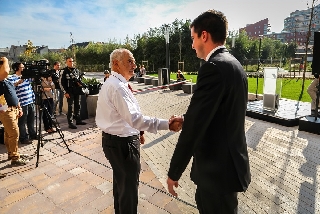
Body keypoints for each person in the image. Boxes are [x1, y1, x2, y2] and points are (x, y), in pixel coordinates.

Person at [167, 10, 251, 213]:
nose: (192, 44)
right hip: (227, 171)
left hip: (216, 175)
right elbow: (218, 113)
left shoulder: (213, 67)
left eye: (193, 38)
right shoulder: (234, 65)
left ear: (204, 35)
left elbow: (196, 127)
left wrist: (174, 172)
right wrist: (186, 118)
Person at [95, 48, 180, 214]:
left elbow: (123, 116)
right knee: (128, 191)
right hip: (123, 145)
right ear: (116, 64)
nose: (134, 65)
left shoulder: (114, 83)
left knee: (121, 185)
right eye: (130, 61)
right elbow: (134, 119)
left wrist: (139, 132)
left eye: (134, 61)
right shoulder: (118, 87)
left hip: (116, 141)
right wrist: (167, 124)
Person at [0, 57, 29, 165]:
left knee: (9, 134)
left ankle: (11, 153)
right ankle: (15, 158)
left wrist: (19, 107)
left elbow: (13, 93)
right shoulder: (1, 77)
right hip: (5, 111)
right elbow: (6, 71)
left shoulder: (6, 80)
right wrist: (5, 59)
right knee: (14, 134)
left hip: (14, 109)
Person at [8, 62, 37, 144]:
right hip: (22, 104)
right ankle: (23, 138)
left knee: (31, 120)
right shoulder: (12, 78)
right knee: (22, 122)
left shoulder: (27, 77)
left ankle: (33, 134)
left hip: (30, 101)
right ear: (16, 68)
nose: (23, 68)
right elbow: (10, 88)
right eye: (22, 67)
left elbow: (34, 78)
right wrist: (18, 82)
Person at [59, 57, 86, 129]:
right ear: (66, 62)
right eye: (70, 61)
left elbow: (79, 80)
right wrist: (65, 92)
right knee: (70, 107)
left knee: (78, 105)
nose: (71, 63)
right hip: (69, 91)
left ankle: (78, 120)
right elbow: (61, 83)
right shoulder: (64, 71)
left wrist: (80, 84)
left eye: (72, 61)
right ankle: (70, 123)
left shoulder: (76, 70)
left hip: (77, 90)